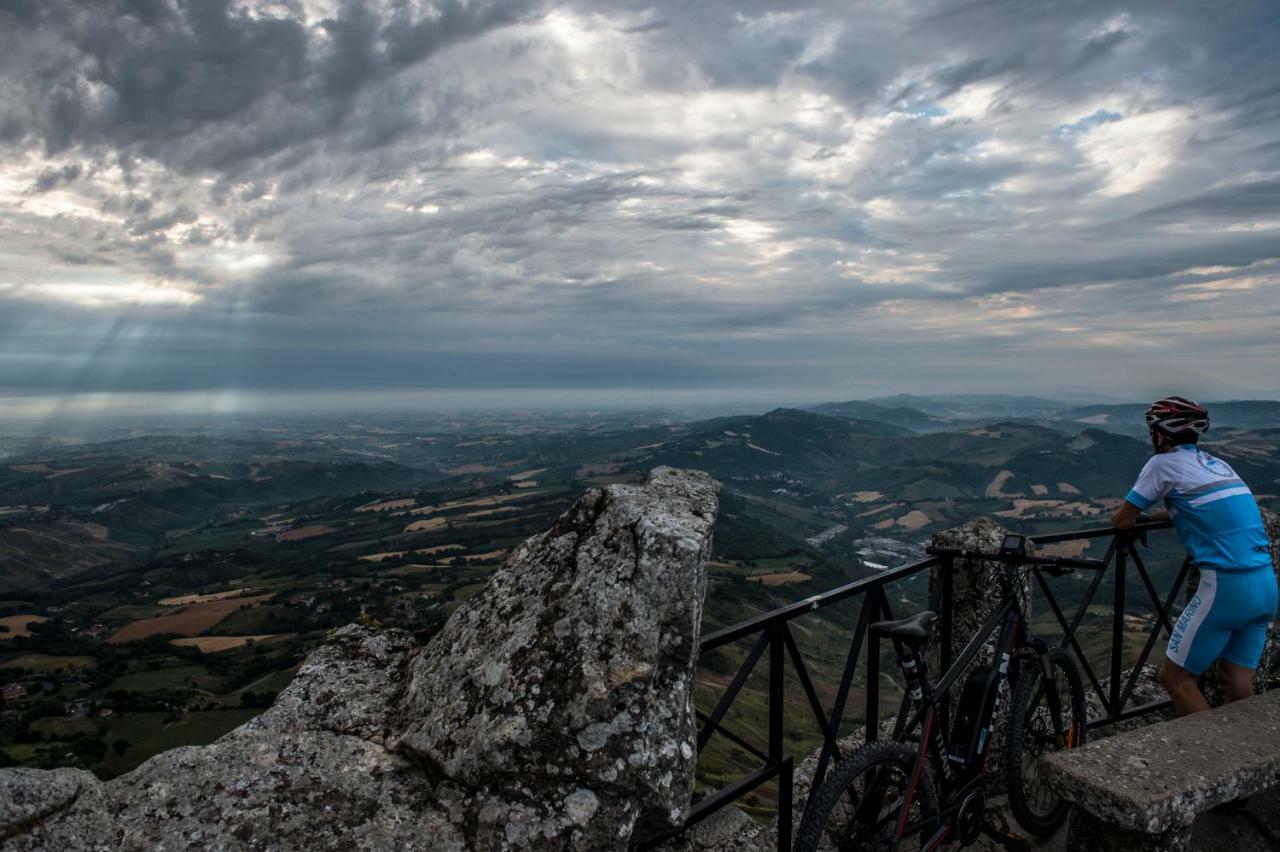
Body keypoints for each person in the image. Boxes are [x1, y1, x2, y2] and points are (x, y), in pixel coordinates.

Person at [1111, 396, 1276, 716]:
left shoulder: (1162, 464)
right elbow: (1193, 510)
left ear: (1160, 433)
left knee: (1176, 679)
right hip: (1265, 583)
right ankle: (1251, 756)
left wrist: (1136, 521)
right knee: (1237, 681)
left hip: (1226, 588)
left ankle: (1216, 758)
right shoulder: (1217, 464)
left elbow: (1122, 520)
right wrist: (1162, 516)